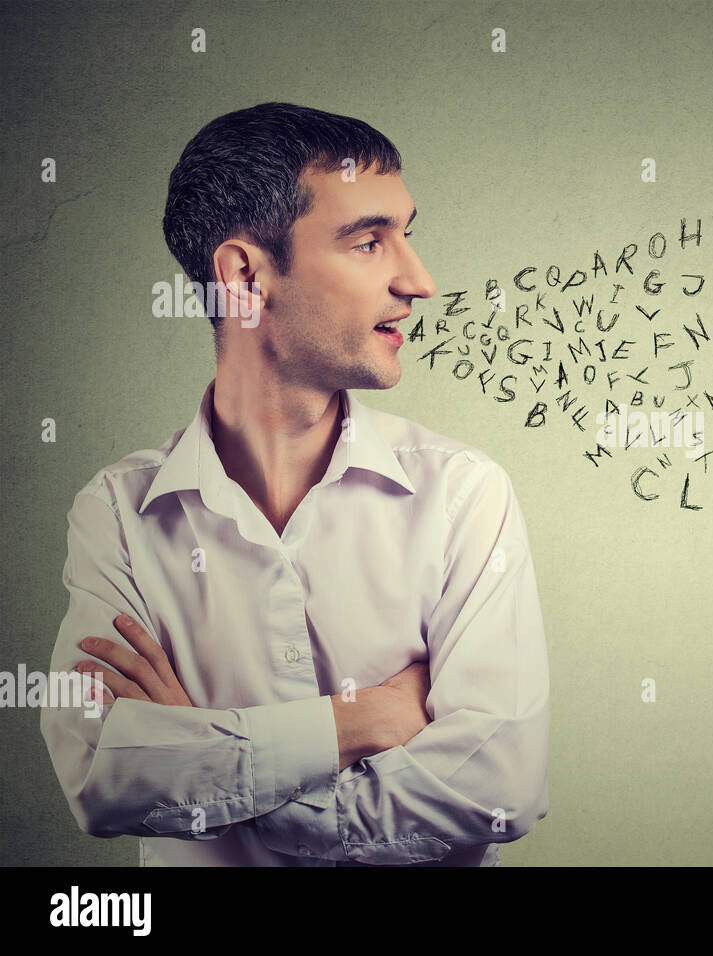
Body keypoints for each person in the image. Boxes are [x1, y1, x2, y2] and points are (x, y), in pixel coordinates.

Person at [39, 102, 549, 866]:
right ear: (245, 274)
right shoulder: (118, 512)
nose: (420, 281)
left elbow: (498, 787)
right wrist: (365, 719)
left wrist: (213, 779)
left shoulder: (463, 494)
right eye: (370, 242)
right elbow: (101, 778)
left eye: (407, 236)